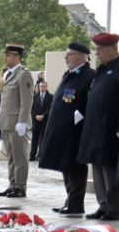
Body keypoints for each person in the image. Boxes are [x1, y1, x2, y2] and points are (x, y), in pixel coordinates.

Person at [38, 42, 95, 216]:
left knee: (75, 167)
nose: (66, 57)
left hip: (76, 131)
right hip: (62, 130)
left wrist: (77, 118)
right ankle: (70, 200)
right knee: (65, 165)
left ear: (79, 56)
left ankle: (76, 203)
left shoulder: (89, 75)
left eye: (69, 54)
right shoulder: (69, 75)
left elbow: (91, 102)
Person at [77, 32, 119, 220]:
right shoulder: (102, 71)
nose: (97, 53)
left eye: (100, 49)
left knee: (109, 168)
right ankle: (103, 204)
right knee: (97, 165)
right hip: (95, 127)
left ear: (112, 49)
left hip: (110, 128)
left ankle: (114, 206)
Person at [0, 44, 35, 198]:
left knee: (20, 157)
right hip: (6, 122)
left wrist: (22, 121)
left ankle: (20, 187)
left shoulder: (23, 75)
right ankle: (12, 185)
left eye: (9, 55)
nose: (6, 58)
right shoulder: (7, 74)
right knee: (10, 156)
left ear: (17, 57)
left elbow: (26, 100)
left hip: (17, 123)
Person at [30, 80, 53, 161]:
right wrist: (36, 115)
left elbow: (51, 108)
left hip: (45, 121)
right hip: (36, 121)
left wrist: (43, 115)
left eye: (43, 86)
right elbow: (31, 108)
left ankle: (42, 156)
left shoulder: (51, 97)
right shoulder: (34, 97)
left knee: (43, 140)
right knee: (34, 139)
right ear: (38, 87)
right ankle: (32, 156)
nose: (42, 88)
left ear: (46, 87)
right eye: (40, 86)